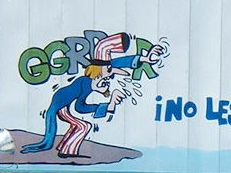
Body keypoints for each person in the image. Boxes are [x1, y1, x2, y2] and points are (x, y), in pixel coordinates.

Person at [21, 32, 163, 158]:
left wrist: (145, 59)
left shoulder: (90, 81)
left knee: (82, 126)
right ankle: (66, 151)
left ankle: (66, 150)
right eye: (108, 73)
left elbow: (117, 63)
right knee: (83, 126)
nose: (109, 77)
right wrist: (105, 104)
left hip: (63, 104)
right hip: (61, 106)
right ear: (98, 71)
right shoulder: (85, 83)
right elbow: (80, 107)